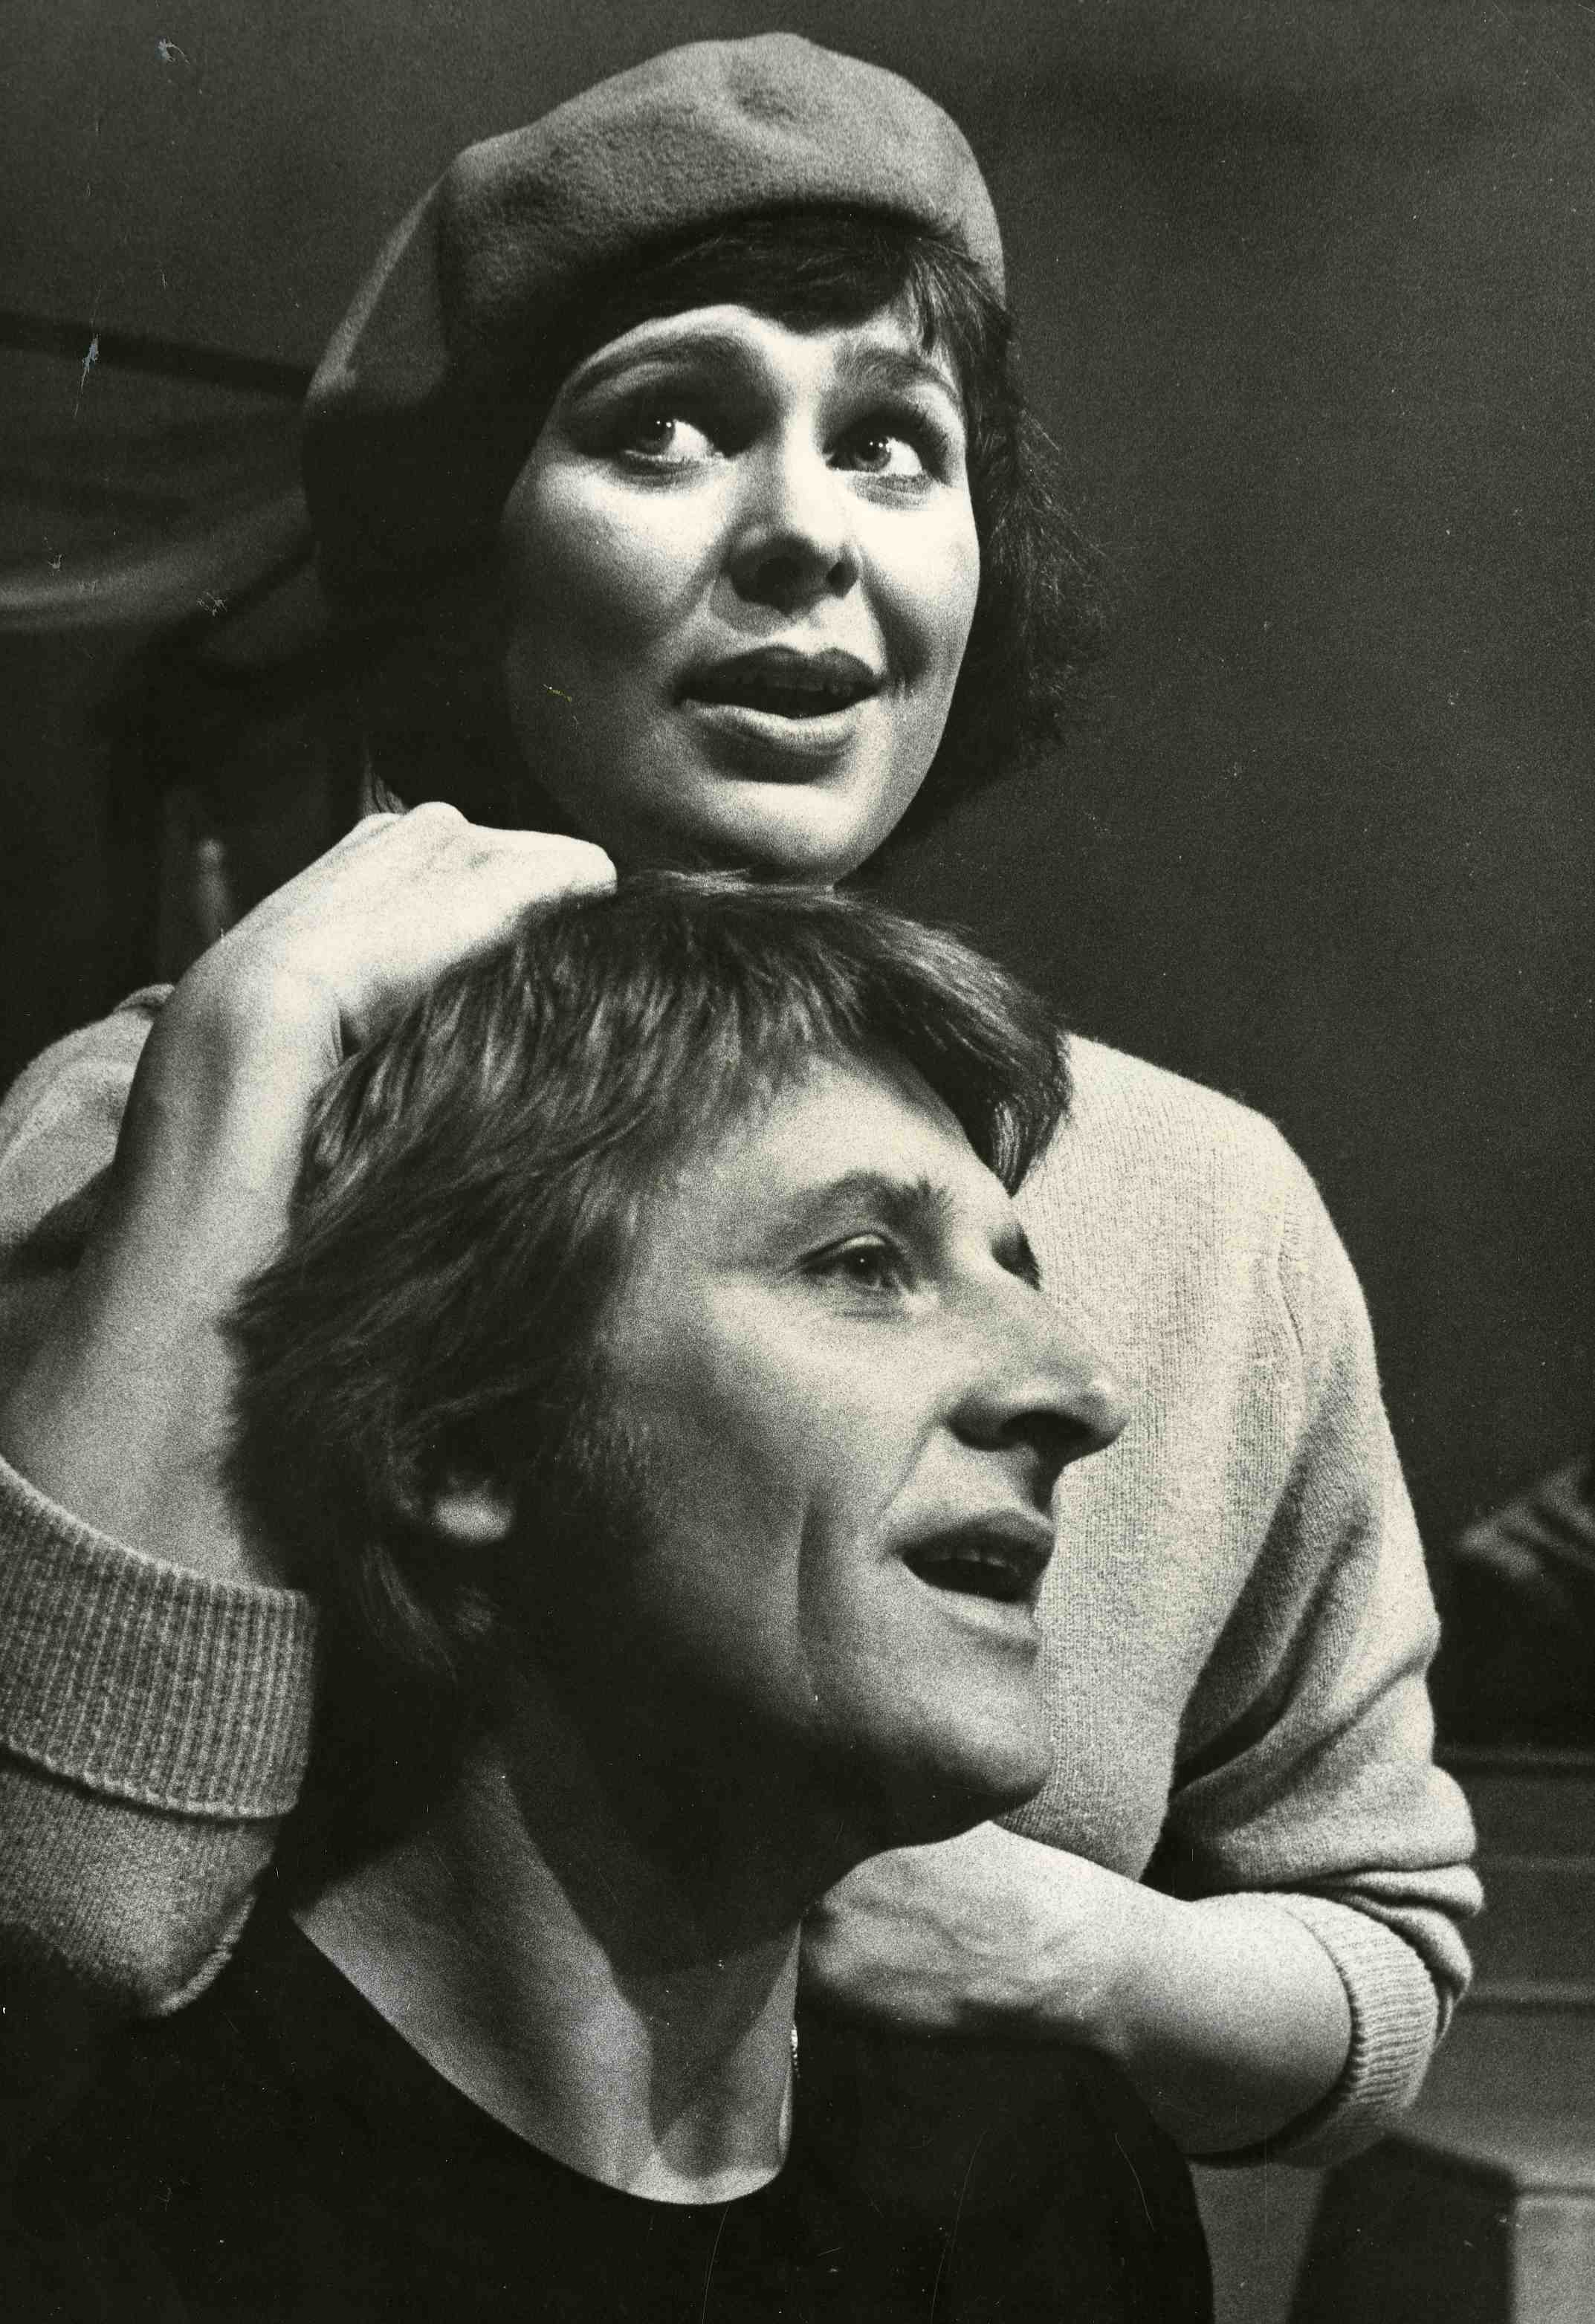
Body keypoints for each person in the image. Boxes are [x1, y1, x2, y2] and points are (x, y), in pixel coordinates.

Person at [0, 29, 1475, 2304]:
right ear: (480, 558)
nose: (805, 530)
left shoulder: (1203, 1210)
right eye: (663, 426)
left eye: (896, 442)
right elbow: (64, 1929)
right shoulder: (169, 1119)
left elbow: (1372, 1936)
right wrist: (252, 1057)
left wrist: (1080, 1956)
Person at [7, 873, 1223, 2318]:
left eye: (1017, 1273)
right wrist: (252, 1031)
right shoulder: (109, 2222)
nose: (1079, 1392)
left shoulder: (1051, 2181)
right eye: (860, 1265)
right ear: (458, 1437)